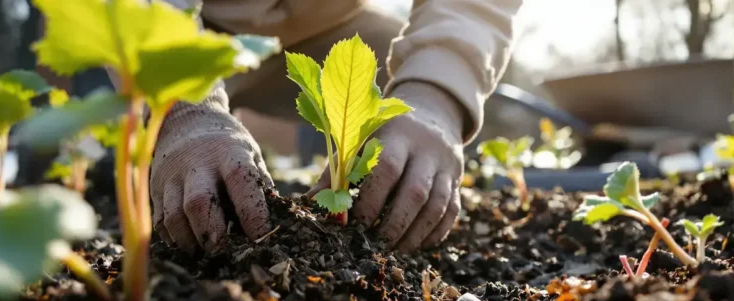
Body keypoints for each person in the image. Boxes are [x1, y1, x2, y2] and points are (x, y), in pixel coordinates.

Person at [152, 0, 523, 254]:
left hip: (332, 25)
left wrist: (436, 93)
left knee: (425, 88)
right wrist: (182, 106)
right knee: (114, 124)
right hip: (169, 22)